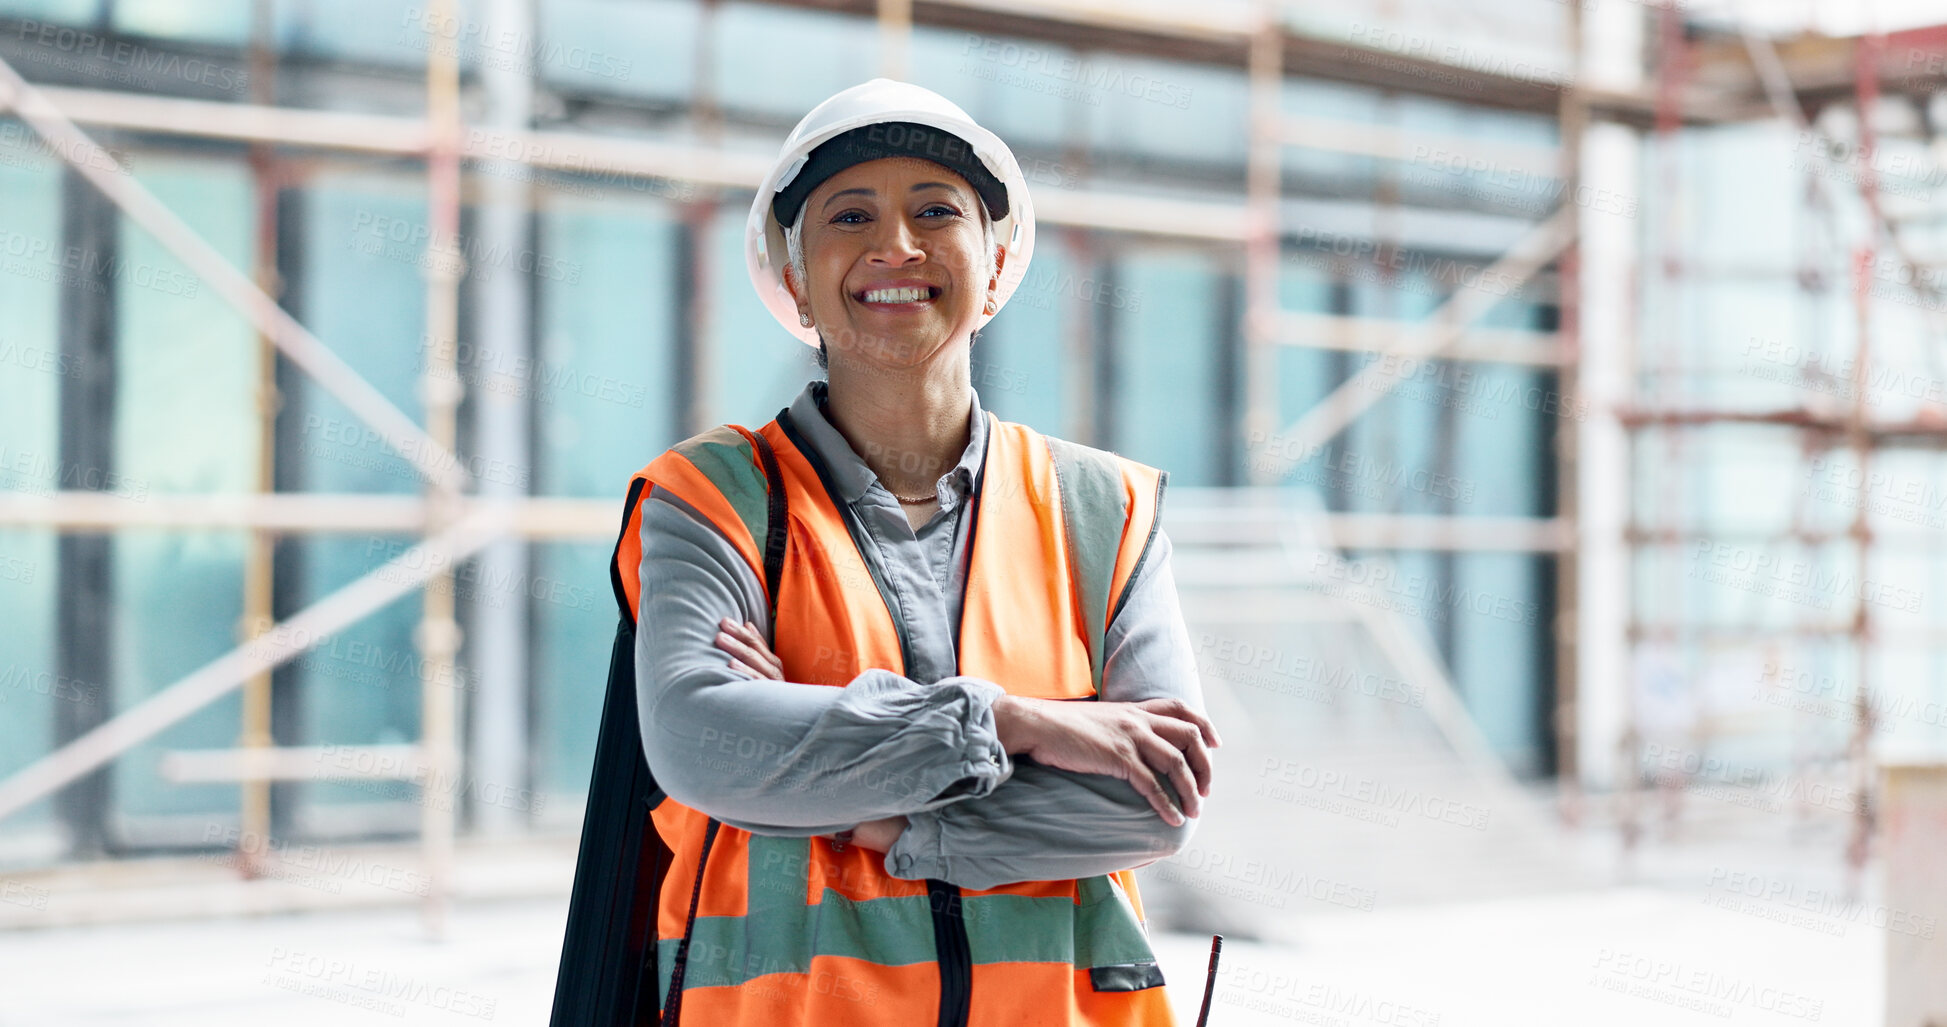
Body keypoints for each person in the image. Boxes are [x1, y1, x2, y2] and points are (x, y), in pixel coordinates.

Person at [569, 78, 1220, 1027]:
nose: (895, 246)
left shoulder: (1102, 509)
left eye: (935, 210)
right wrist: (1019, 723)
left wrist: (842, 795)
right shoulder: (714, 497)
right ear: (793, 276)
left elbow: (1154, 803)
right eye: (849, 214)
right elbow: (702, 744)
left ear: (995, 266)